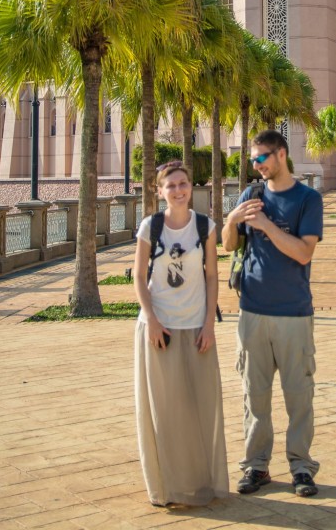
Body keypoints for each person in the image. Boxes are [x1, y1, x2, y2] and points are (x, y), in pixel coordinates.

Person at [222, 130, 324, 498]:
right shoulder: (251, 195)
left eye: (262, 157)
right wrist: (232, 220)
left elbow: (303, 253)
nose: (257, 165)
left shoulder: (307, 199)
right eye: (252, 160)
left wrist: (265, 225)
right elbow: (228, 244)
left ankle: (301, 467)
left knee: (299, 396)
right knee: (255, 395)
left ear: (281, 154)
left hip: (294, 312)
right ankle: (256, 466)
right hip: (252, 310)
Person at [133, 160, 229, 507]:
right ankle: (166, 487)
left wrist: (208, 325)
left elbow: (213, 276)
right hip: (160, 330)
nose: (177, 190)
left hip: (196, 329)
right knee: (165, 411)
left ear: (192, 186)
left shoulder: (205, 226)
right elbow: (139, 276)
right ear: (160, 191)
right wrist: (152, 320)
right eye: (170, 185)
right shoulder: (150, 227)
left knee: (202, 408)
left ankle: (204, 482)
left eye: (183, 183)